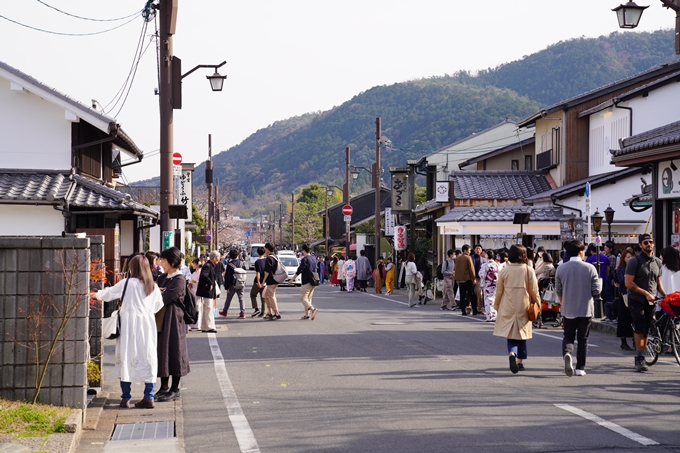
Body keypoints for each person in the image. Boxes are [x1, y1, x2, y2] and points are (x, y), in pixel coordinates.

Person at [92, 255, 164, 409]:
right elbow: (158, 305)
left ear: (133, 268)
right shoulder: (152, 285)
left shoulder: (127, 283)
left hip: (128, 324)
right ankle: (148, 396)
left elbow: (109, 293)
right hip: (146, 324)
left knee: (126, 355)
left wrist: (95, 294)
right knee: (148, 356)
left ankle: (125, 398)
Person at [556, 239, 601, 377]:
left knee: (568, 336)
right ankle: (580, 367)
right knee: (583, 338)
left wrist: (564, 303)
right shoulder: (590, 268)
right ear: (581, 252)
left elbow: (559, 290)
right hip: (585, 308)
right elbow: (596, 290)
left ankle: (568, 353)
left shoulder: (561, 268)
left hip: (568, 307)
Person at [493, 244, 540, 374]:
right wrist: (538, 304)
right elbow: (535, 291)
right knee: (522, 334)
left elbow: (499, 291)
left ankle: (512, 353)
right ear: (524, 255)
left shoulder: (505, 270)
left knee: (511, 334)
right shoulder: (528, 270)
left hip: (508, 304)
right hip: (524, 305)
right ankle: (520, 361)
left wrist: (497, 305)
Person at [625, 234, 666, 372]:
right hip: (636, 299)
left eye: (650, 242)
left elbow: (658, 282)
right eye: (645, 242)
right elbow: (629, 283)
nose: (649, 244)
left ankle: (642, 351)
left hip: (651, 300)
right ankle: (639, 358)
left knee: (647, 328)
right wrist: (646, 293)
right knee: (640, 326)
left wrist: (665, 295)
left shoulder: (657, 262)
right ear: (640, 245)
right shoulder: (634, 261)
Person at [154, 247, 191, 402]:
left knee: (175, 351)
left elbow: (166, 297)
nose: (161, 262)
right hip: (161, 320)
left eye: (164, 259)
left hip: (174, 320)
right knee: (162, 352)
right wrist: (158, 292)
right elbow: (152, 293)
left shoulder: (179, 279)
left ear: (173, 262)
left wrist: (159, 293)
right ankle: (163, 387)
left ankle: (175, 388)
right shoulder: (163, 277)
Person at [288, 244, 319, 320]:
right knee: (308, 298)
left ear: (304, 250)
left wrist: (292, 279)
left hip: (306, 281)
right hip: (314, 280)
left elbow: (299, 270)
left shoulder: (305, 259)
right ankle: (307, 314)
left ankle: (312, 309)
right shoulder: (314, 259)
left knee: (303, 298)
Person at [195, 250, 220, 333]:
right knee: (209, 308)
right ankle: (209, 327)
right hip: (207, 290)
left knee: (206, 308)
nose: (219, 258)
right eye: (218, 257)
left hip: (206, 290)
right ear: (214, 258)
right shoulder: (208, 265)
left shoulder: (210, 265)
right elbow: (204, 275)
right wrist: (210, 283)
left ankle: (205, 326)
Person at [616, 249, 635, 351]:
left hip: (634, 295)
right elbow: (620, 280)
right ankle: (623, 342)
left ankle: (635, 340)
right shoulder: (621, 268)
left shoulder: (636, 267)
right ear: (623, 259)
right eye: (628, 257)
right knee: (623, 319)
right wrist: (627, 276)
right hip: (624, 296)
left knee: (634, 319)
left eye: (631, 257)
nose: (630, 258)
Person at [220, 249, 247, 319]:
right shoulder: (242, 263)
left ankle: (225, 312)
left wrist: (227, 287)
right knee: (241, 298)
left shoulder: (230, 265)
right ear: (238, 255)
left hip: (232, 285)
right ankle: (242, 313)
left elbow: (228, 277)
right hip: (241, 283)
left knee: (228, 298)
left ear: (230, 256)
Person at [260, 242, 282, 320]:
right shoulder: (275, 257)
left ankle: (276, 313)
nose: (265, 250)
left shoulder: (269, 258)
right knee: (266, 296)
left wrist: (263, 282)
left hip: (271, 281)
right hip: (275, 280)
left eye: (265, 249)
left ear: (268, 249)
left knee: (271, 297)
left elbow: (267, 272)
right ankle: (270, 313)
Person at [455, 245, 478, 316]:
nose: (470, 252)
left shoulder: (457, 258)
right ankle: (474, 310)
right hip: (467, 278)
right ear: (465, 250)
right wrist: (473, 278)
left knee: (462, 295)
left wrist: (457, 279)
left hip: (460, 279)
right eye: (469, 250)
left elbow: (456, 269)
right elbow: (471, 269)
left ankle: (463, 311)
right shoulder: (468, 257)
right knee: (472, 295)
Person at [478, 250, 500, 322]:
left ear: (487, 256)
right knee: (494, 299)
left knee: (487, 300)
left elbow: (482, 274)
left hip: (488, 284)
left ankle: (489, 316)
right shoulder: (496, 265)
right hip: (495, 283)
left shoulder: (485, 265)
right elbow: (500, 273)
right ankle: (495, 315)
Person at [250, 246, 266, 317]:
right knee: (263, 297)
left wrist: (258, 282)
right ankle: (263, 312)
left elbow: (258, 272)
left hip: (258, 282)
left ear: (257, 253)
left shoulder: (257, 262)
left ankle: (256, 309)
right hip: (265, 281)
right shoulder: (266, 260)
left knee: (253, 295)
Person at [472, 244, 484, 313]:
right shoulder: (471, 258)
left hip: (479, 278)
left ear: (481, 250)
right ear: (474, 250)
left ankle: (479, 308)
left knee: (480, 294)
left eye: (479, 249)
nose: (478, 250)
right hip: (472, 278)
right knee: (471, 293)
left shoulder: (483, 259)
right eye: (477, 248)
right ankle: (470, 307)